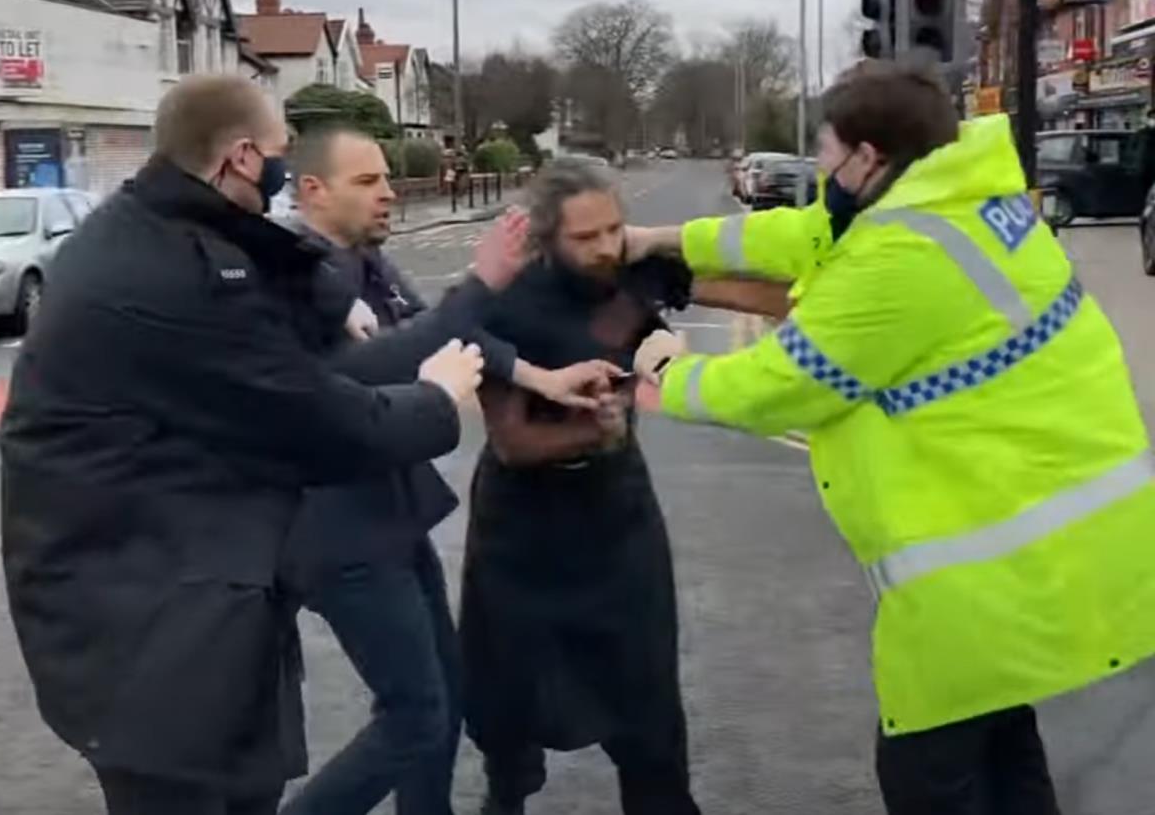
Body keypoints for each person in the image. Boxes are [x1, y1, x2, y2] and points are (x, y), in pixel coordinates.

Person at [624, 60, 1155, 815]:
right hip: (1059, 532)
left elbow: (781, 383)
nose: (821, 173)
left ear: (868, 158)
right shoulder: (959, 200)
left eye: (826, 155)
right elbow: (806, 232)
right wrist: (663, 239)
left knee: (927, 769)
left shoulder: (901, 259)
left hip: (995, 561)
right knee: (1001, 746)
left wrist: (667, 369)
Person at [0, 75, 485, 815]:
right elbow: (319, 422)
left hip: (174, 592)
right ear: (244, 156)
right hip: (140, 623)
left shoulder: (154, 227)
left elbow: (263, 261)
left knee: (245, 773)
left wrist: (332, 298)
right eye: (281, 153)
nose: (285, 174)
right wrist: (438, 397)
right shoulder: (163, 276)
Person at [275, 125, 617, 815]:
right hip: (337, 531)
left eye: (385, 177)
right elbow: (372, 368)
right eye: (367, 181)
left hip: (388, 513)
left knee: (442, 697)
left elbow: (444, 328)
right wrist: (484, 280)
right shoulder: (294, 276)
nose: (388, 192)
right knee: (414, 712)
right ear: (313, 191)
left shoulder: (365, 261)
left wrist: (541, 377)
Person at [461, 159, 703, 815]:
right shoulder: (507, 303)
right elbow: (512, 441)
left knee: (650, 711)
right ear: (547, 239)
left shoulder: (635, 275)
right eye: (585, 237)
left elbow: (760, 285)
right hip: (523, 532)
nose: (605, 248)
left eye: (614, 230)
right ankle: (507, 793)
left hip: (619, 522)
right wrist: (597, 430)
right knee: (508, 709)